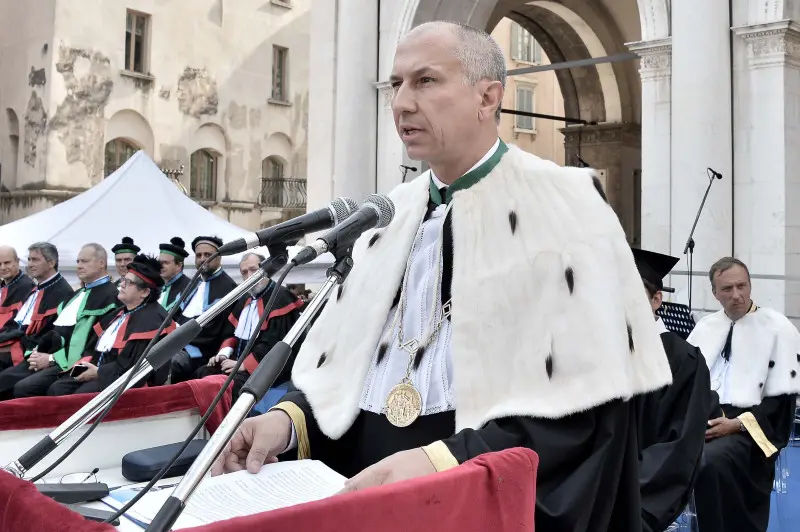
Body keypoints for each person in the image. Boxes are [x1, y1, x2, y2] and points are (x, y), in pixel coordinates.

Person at [213, 22, 672, 531]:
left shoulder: (566, 207)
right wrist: (288, 421)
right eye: (395, 85)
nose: (402, 103)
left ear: (488, 96)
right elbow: (346, 370)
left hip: (472, 498)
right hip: (363, 492)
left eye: (426, 81)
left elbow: (588, 412)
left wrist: (445, 461)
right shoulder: (387, 217)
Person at [688, 257, 799, 532]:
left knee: (707, 461)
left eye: (742, 286)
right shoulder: (705, 328)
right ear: (715, 293)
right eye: (727, 289)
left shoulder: (778, 329)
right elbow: (685, 384)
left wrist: (737, 424)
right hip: (706, 419)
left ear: (750, 285)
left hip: (748, 429)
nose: (737, 295)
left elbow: (781, 403)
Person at [630, 248, 711, 532]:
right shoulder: (595, 353)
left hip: (635, 500)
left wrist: (628, 503)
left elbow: (676, 449)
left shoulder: (682, 360)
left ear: (656, 299)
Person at [0, 243, 119, 398]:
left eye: (84, 261)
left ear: (102, 263)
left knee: (28, 387)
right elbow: (54, 333)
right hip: (50, 356)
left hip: (77, 362)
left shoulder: (110, 297)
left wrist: (50, 358)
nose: (79, 266)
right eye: (77, 262)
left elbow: (90, 344)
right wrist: (38, 352)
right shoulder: (77, 295)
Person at [48, 255, 174, 395]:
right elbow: (91, 348)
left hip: (121, 381)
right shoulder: (118, 314)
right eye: (124, 280)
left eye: (129, 283)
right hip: (97, 370)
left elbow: (133, 366)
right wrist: (86, 366)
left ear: (144, 292)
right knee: (57, 388)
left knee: (81, 395)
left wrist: (99, 372)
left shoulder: (152, 321)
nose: (122, 285)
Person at [197, 253, 304, 398]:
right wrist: (223, 354)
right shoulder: (244, 298)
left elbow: (273, 344)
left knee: (224, 386)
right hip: (237, 363)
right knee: (203, 373)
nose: (249, 276)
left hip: (264, 369)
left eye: (254, 270)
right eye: (244, 272)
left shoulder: (281, 297)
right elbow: (231, 333)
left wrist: (244, 365)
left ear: (267, 269)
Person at [0, 243, 74, 397]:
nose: (30, 264)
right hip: (20, 348)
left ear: (51, 263)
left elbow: (47, 334)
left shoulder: (61, 291)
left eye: (35, 260)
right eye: (29, 259)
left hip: (35, 354)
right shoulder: (38, 288)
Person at [170, 236, 237, 384]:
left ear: (219, 258)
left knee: (165, 365)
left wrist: (179, 334)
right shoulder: (192, 283)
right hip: (175, 344)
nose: (202, 259)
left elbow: (220, 330)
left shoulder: (229, 288)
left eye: (208, 255)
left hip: (201, 354)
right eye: (199, 255)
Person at [0, 246, 35, 330]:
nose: (3, 267)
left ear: (17, 261)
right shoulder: (3, 285)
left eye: (7, 263)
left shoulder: (27, 287)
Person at [158, 237, 191, 311]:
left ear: (179, 266)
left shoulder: (189, 288)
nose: (160, 266)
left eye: (165, 263)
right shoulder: (156, 287)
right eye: (159, 262)